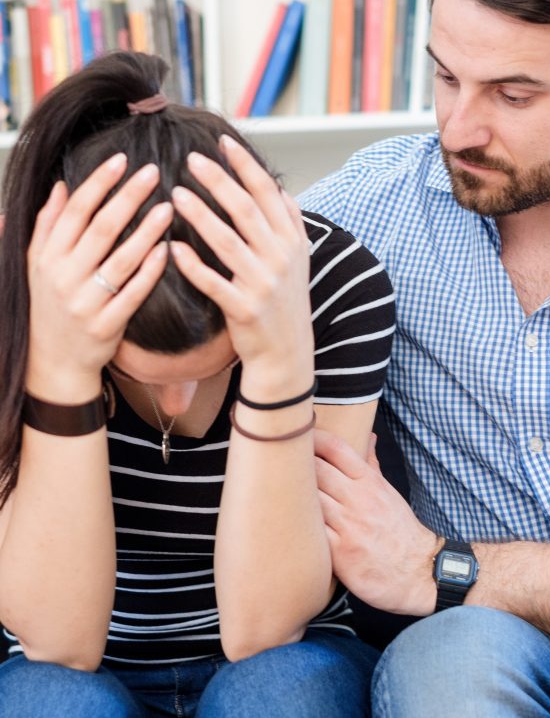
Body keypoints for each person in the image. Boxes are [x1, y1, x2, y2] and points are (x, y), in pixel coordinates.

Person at [0, 50, 396, 717]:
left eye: (215, 366)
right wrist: (62, 371)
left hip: (289, 652)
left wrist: (278, 364)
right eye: (131, 370)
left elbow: (264, 630)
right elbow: (59, 644)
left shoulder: (330, 281)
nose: (178, 407)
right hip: (66, 659)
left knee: (280, 697)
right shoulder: (22, 290)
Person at [299, 0, 550, 715]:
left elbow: (437, 574)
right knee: (450, 657)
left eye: (512, 92)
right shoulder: (376, 208)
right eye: (444, 76)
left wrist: (442, 564)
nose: (458, 127)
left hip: (467, 586)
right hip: (494, 652)